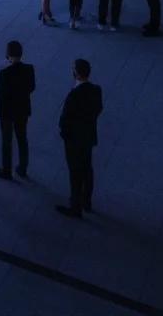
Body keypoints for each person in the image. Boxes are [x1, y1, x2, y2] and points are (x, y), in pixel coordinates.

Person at [56, 58, 103, 218]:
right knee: (87, 169)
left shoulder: (74, 95)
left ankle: (75, 206)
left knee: (75, 172)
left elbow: (65, 119)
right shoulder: (96, 90)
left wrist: (64, 133)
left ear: (76, 73)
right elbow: (98, 109)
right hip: (88, 136)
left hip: (74, 140)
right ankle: (86, 201)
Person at [0, 40, 35, 181]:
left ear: (8, 55)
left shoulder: (5, 73)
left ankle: (6, 170)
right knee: (22, 138)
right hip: (22, 109)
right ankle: (22, 167)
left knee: (7, 140)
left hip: (7, 112)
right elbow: (31, 87)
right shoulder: (29, 69)